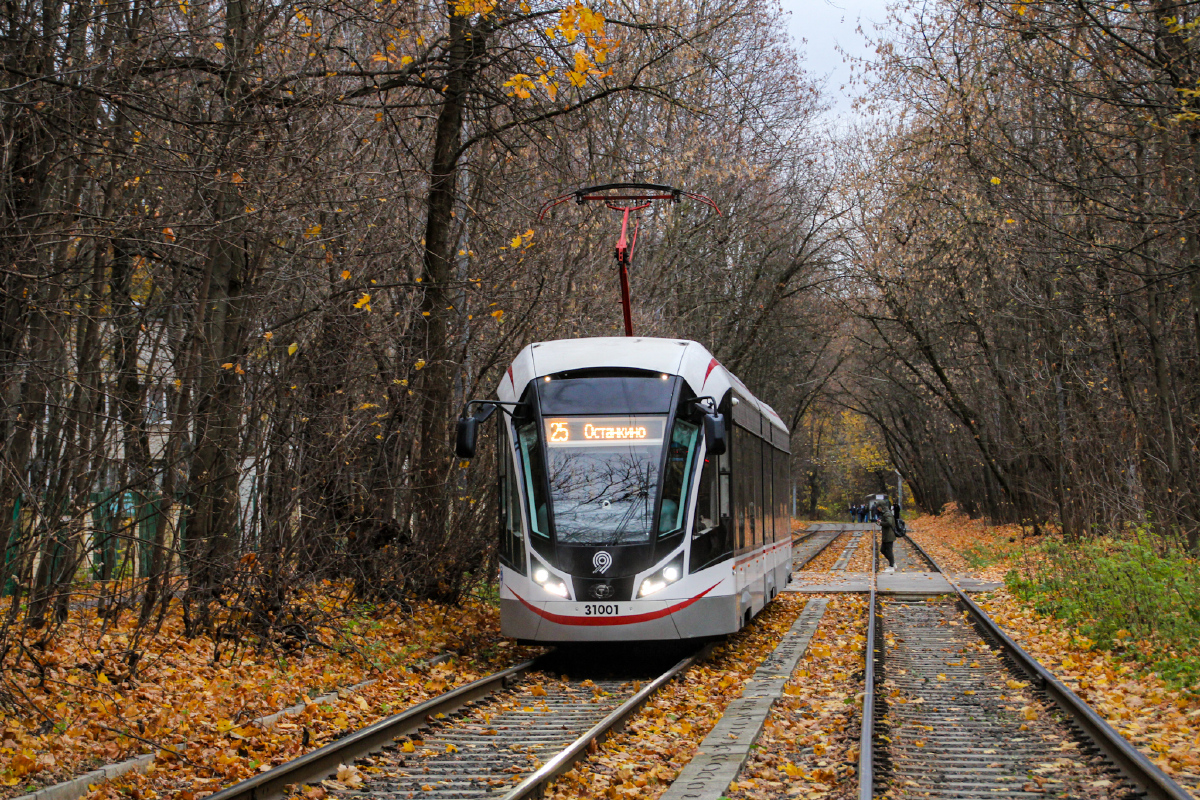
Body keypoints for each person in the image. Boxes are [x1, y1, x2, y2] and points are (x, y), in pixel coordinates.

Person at [878, 499, 897, 573]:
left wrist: (881, 523)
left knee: (889, 550)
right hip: (886, 535)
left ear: (881, 507)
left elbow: (889, 522)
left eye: (878, 507)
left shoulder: (887, 513)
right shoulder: (885, 513)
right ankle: (893, 563)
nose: (878, 509)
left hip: (889, 535)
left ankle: (891, 566)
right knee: (883, 550)